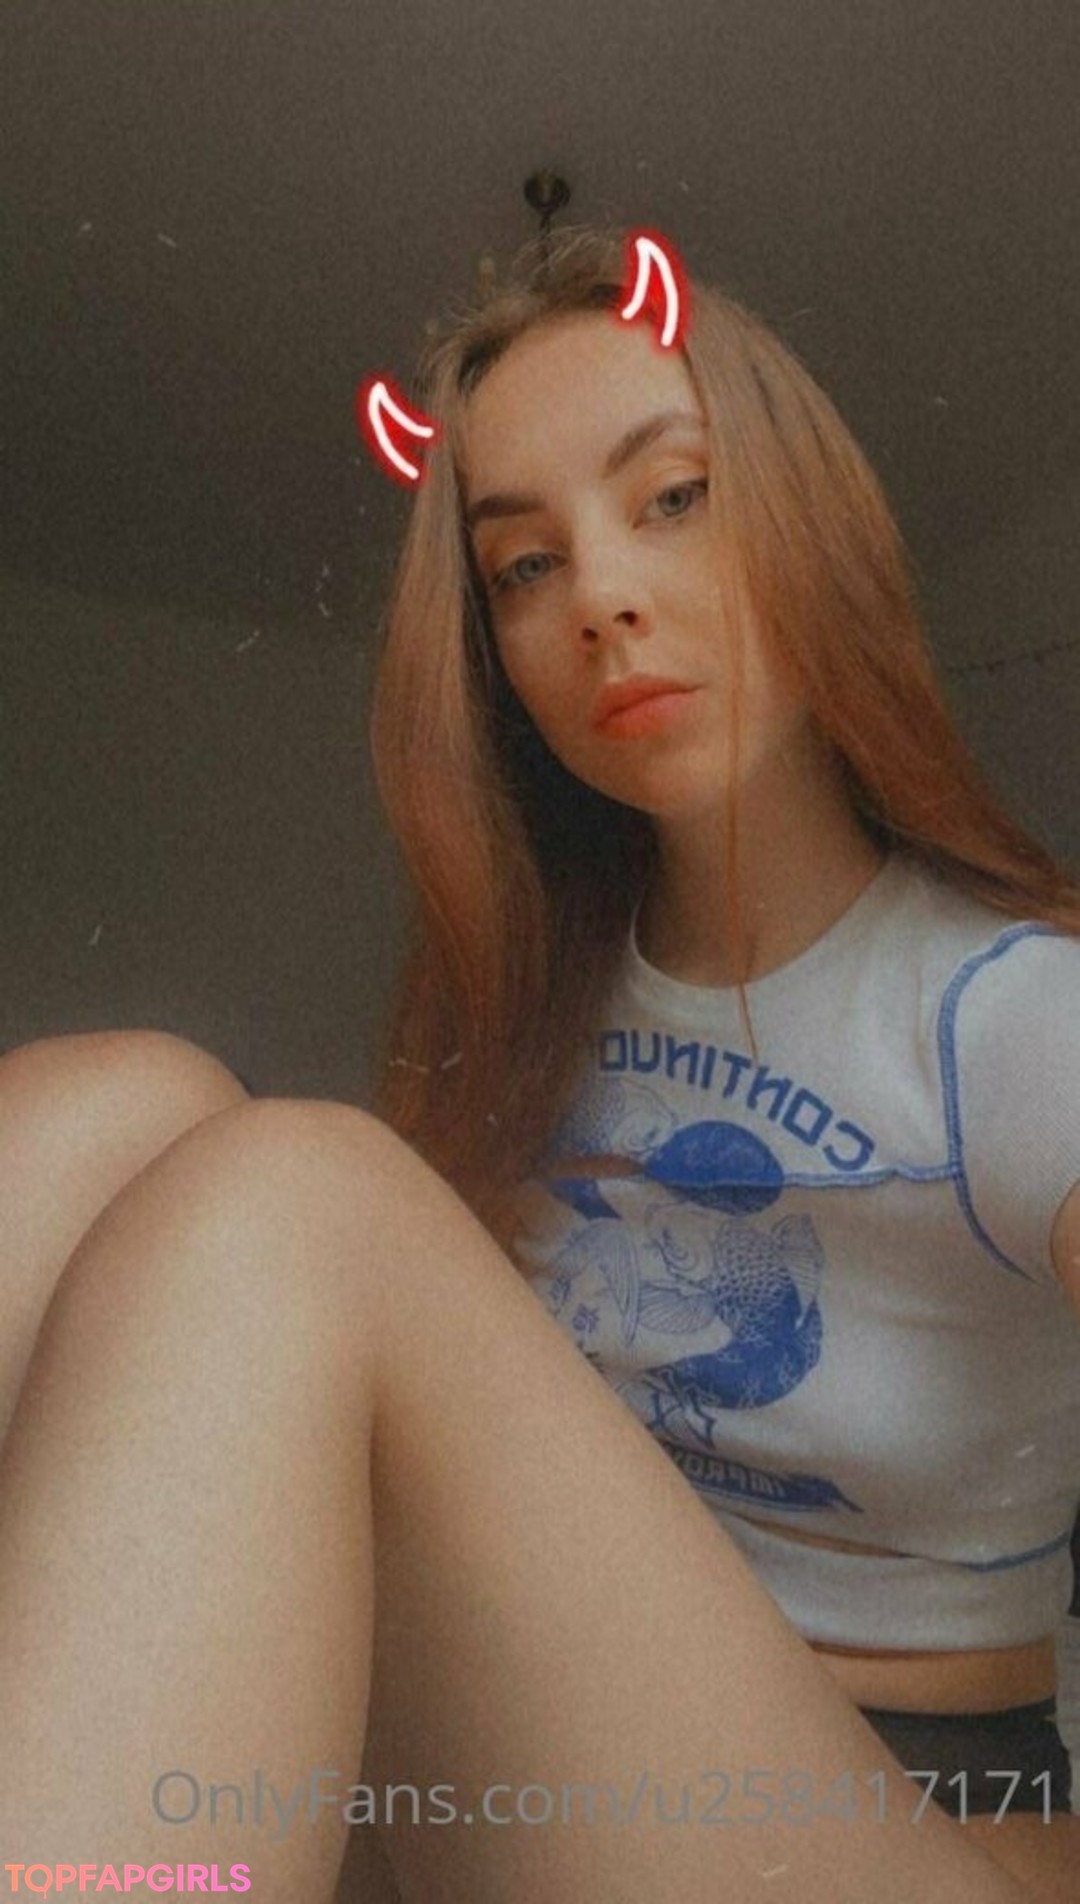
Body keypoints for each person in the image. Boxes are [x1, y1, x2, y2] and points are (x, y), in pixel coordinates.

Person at [0, 224, 1071, 1902]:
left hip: (917, 1822)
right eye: (522, 567)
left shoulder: (1011, 1008)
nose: (603, 599)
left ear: (808, 516)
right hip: (535, 1771)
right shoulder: (536, 1011)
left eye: (673, 496)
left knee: (303, 1196)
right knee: (121, 1102)